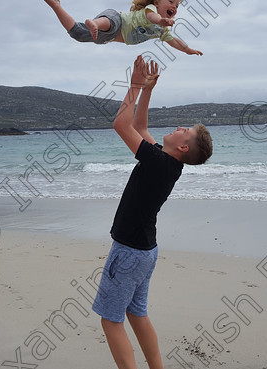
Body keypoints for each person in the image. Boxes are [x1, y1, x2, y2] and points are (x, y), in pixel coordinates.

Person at [92, 55, 213, 369]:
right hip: (145, 252)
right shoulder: (166, 161)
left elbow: (121, 125)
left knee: (110, 320)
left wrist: (133, 86)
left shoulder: (160, 163)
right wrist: (147, 89)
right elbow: (139, 126)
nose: (177, 127)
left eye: (183, 130)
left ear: (183, 148)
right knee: (136, 313)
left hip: (130, 251)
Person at [41, 0, 204, 56]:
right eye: (171, 1)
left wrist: (188, 50)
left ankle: (56, 5)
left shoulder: (162, 31)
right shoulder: (150, 10)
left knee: (77, 33)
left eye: (177, 5)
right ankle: (95, 23)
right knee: (112, 22)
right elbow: (152, 18)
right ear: (156, 1)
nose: (174, 7)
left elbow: (174, 41)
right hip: (118, 19)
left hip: (110, 37)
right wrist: (162, 20)